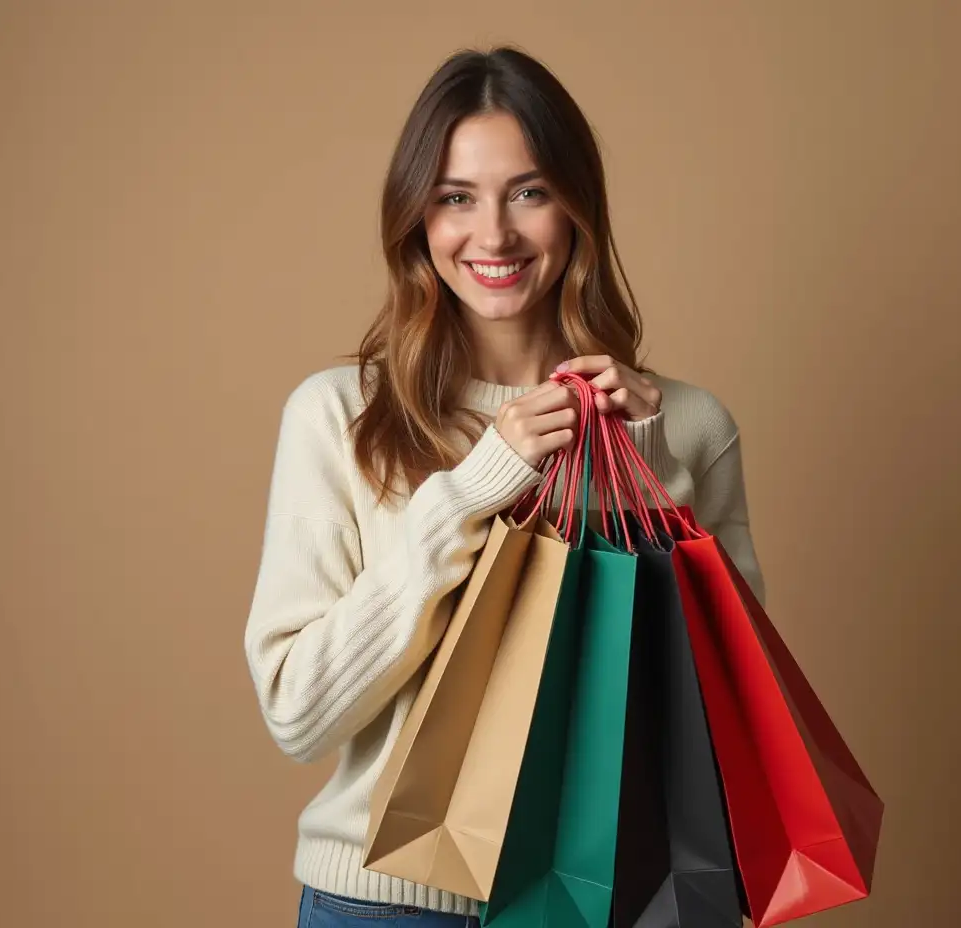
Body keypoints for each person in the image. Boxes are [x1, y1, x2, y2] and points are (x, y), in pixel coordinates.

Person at [243, 45, 766, 927]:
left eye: (528, 191)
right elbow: (299, 717)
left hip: (605, 904)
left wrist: (640, 476)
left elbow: (726, 722)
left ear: (576, 208)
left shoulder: (686, 429)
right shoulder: (340, 417)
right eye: (456, 197)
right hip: (383, 908)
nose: (493, 236)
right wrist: (471, 490)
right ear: (418, 218)